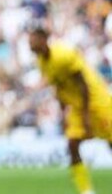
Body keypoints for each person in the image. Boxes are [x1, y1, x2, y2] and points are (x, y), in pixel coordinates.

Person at [29, 25, 112, 194]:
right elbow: (58, 87)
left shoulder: (63, 55)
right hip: (76, 105)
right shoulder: (41, 62)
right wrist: (64, 115)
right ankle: (86, 191)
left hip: (96, 102)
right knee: (72, 144)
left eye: (33, 40)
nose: (30, 44)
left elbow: (83, 85)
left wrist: (87, 117)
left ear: (44, 40)